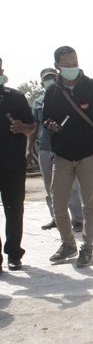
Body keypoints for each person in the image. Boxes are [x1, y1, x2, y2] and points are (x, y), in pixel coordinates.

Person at [42, 46, 93, 267]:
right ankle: (68, 244)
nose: (72, 68)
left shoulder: (91, 87)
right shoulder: (52, 92)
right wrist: (51, 125)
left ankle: (87, 247)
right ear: (57, 66)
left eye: (74, 63)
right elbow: (46, 118)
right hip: (63, 155)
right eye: (67, 65)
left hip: (88, 154)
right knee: (58, 203)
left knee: (89, 205)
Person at [28, 68, 84, 233]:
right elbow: (34, 127)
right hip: (45, 148)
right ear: (41, 82)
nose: (49, 81)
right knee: (49, 186)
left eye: (52, 77)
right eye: (46, 79)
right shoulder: (38, 102)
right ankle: (56, 217)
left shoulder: (66, 97)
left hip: (65, 148)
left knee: (72, 185)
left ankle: (78, 219)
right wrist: (28, 148)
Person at [0, 57, 35, 272]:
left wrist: (23, 128)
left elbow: (32, 127)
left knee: (14, 209)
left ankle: (13, 253)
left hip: (13, 162)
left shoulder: (16, 97)